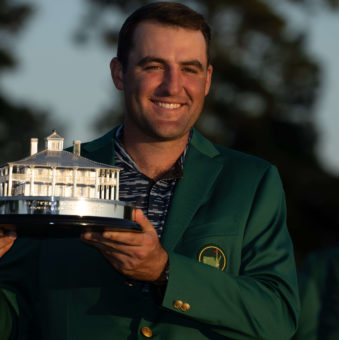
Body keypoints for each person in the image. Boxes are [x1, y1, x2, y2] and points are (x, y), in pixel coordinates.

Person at [0, 2, 299, 339]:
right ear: (119, 73)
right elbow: (12, 316)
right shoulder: (47, 177)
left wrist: (165, 272)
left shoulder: (251, 181)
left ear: (207, 80)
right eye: (154, 66)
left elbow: (278, 317)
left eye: (190, 68)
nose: (173, 86)